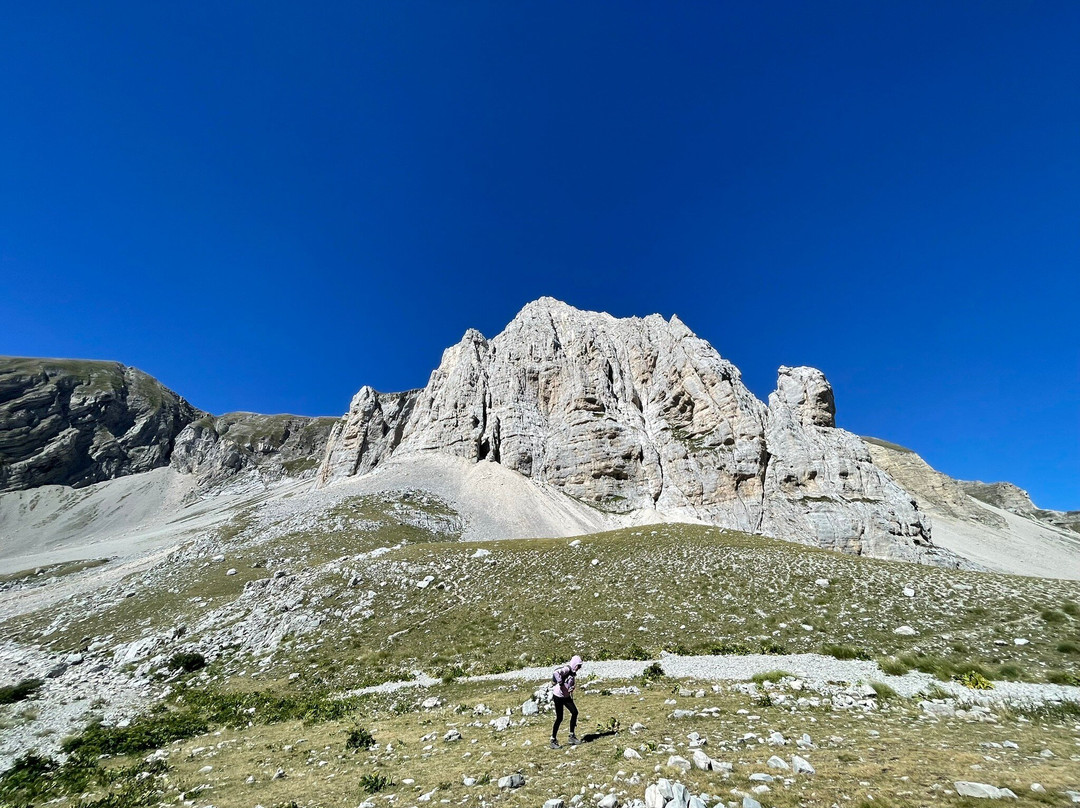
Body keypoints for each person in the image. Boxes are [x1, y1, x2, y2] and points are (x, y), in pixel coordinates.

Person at [550, 654, 583, 749]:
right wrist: (560, 683)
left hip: (566, 696)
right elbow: (556, 672)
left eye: (580, 666)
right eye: (578, 666)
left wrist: (571, 688)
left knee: (574, 712)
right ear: (574, 664)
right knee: (559, 718)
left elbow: (570, 685)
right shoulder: (567, 669)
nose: (579, 668)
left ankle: (571, 736)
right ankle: (553, 740)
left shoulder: (572, 673)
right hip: (558, 696)